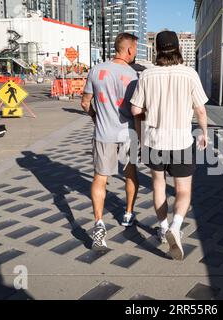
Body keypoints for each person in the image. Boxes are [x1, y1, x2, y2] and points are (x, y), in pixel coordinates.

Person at [131, 31, 209, 261]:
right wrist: (204, 133)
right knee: (183, 190)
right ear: (177, 48)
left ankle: (163, 228)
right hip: (181, 142)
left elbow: (135, 110)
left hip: (154, 141)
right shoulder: (189, 73)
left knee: (158, 186)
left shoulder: (147, 75)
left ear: (156, 49)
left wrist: (152, 112)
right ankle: (176, 226)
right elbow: (201, 109)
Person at [81, 33, 140, 250]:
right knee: (130, 173)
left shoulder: (96, 70)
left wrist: (96, 118)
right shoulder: (133, 76)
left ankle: (98, 223)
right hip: (127, 134)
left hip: (103, 134)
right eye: (134, 48)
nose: (134, 52)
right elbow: (137, 110)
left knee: (100, 178)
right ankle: (128, 213)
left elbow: (85, 103)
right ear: (128, 50)